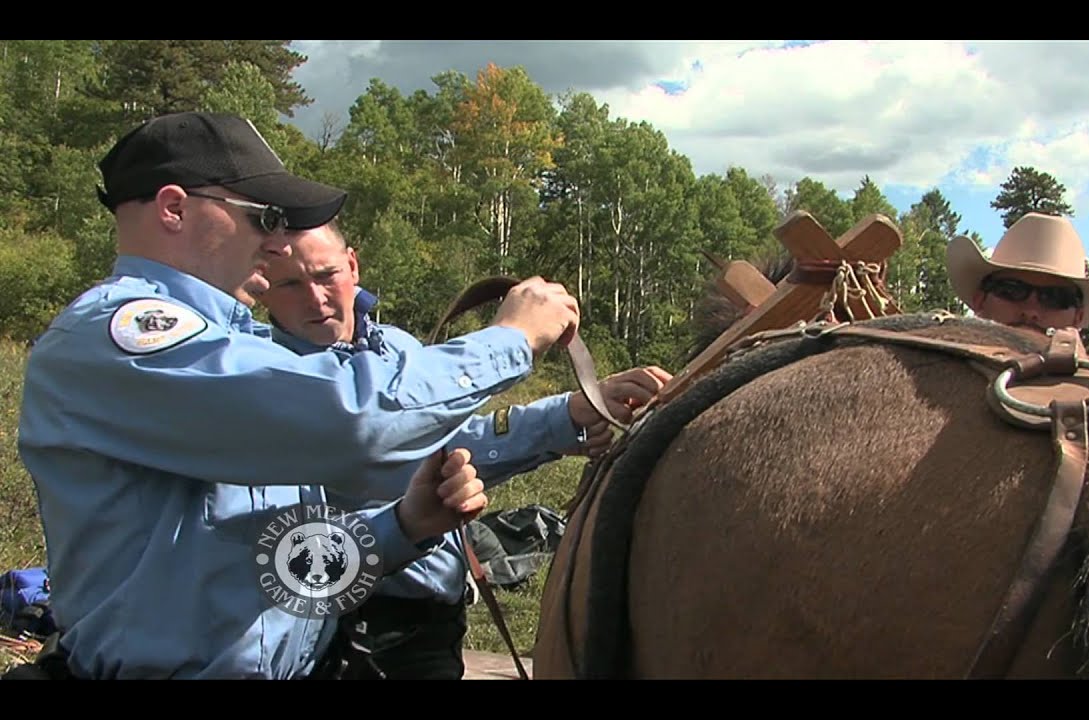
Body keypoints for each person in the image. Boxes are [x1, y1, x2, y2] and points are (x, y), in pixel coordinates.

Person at [13, 111, 583, 679]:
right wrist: (512, 340)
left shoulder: (239, 352)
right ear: (173, 208)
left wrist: (406, 525)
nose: (278, 243)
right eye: (264, 217)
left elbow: (281, 574)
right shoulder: (123, 336)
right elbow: (355, 422)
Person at [254, 221, 672, 678]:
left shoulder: (395, 348)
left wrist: (570, 414)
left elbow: (452, 441)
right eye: (291, 284)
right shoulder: (273, 378)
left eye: (325, 275)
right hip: (341, 626)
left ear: (353, 266)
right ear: (262, 289)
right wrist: (514, 345)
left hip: (435, 619)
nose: (315, 298)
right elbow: (378, 436)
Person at [945, 212, 1089, 333]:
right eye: (1012, 291)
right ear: (980, 300)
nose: (1031, 311)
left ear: (1078, 317)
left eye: (1055, 298)